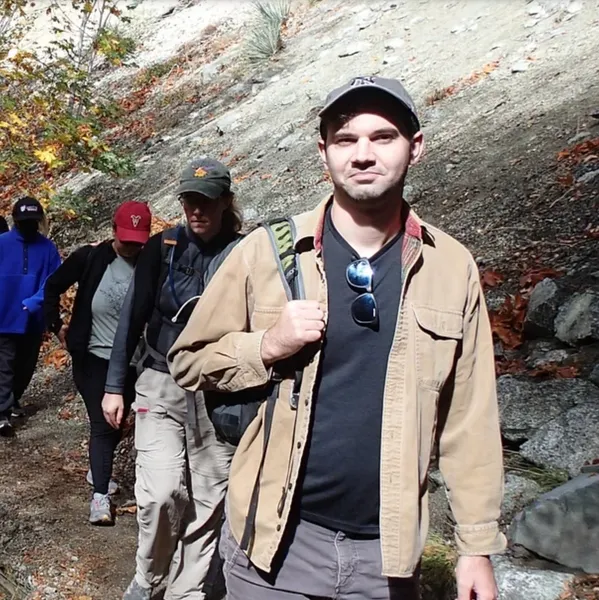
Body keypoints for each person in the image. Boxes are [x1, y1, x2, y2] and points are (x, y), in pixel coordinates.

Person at [168, 75, 506, 600]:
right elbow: (187, 361)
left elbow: (470, 417)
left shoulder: (451, 266)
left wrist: (476, 548)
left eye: (383, 137)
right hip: (273, 550)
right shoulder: (269, 252)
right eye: (346, 140)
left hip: (386, 560)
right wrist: (266, 346)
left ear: (415, 148)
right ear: (323, 153)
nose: (363, 155)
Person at [102, 158, 244, 600]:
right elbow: (133, 315)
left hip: (217, 390)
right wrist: (113, 385)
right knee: (161, 492)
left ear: (225, 202)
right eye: (188, 201)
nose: (195, 210)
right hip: (160, 380)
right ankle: (149, 579)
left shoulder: (245, 252)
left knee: (208, 499)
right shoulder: (161, 248)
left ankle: (189, 590)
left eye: (204, 202)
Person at [43, 200, 152, 525]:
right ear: (113, 230)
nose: (131, 247)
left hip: (132, 362)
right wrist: (57, 326)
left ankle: (98, 469)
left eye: (138, 241)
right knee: (104, 423)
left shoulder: (151, 263)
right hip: (91, 358)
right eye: (126, 239)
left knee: (115, 423)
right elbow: (51, 287)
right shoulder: (90, 257)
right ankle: (100, 498)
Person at [0, 197, 61, 436]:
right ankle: (2, 414)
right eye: (24, 221)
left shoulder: (47, 248)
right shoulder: (2, 244)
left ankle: (11, 400)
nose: (29, 226)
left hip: (32, 321)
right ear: (15, 220)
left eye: (33, 221)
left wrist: (34, 302)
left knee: (25, 368)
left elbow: (54, 280)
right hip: (3, 319)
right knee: (4, 366)